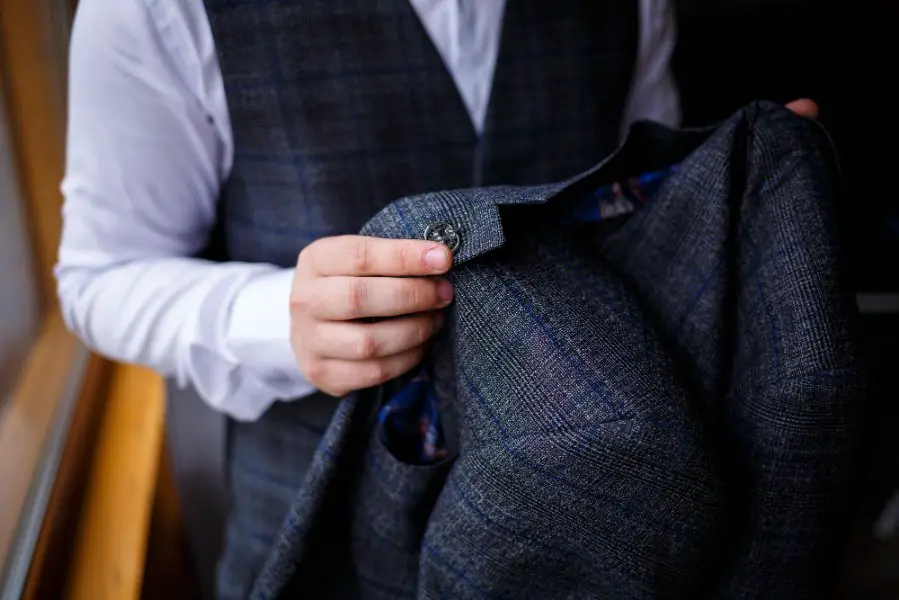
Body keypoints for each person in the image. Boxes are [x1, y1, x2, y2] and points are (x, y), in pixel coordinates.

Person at [56, 0, 817, 596]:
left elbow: (633, 217)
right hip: (313, 521)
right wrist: (276, 319)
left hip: (584, 528)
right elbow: (100, 276)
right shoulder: (155, 9)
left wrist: (734, 200)